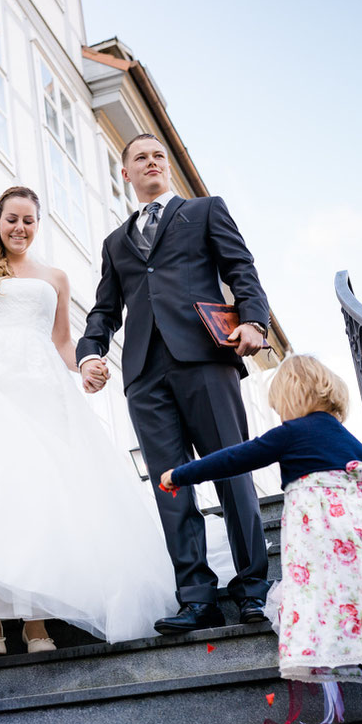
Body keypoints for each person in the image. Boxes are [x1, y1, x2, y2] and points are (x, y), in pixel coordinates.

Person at [0, 186, 180, 655]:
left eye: (29, 221)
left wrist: (88, 363)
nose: (20, 228)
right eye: (12, 219)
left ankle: (36, 624)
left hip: (42, 391)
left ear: (37, 225)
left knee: (40, 499)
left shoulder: (55, 277)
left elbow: (61, 343)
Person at [160, 354, 362, 724]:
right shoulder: (350, 442)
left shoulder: (293, 432)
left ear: (290, 398)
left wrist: (179, 474)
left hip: (335, 569)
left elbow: (236, 458)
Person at [77, 134, 270, 634]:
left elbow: (240, 268)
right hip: (144, 374)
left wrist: (254, 320)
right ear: (126, 173)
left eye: (158, 155)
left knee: (233, 471)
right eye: (140, 158)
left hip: (206, 358)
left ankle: (253, 589)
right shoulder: (115, 242)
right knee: (170, 486)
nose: (151, 162)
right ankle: (197, 597)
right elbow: (104, 310)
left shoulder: (205, 211)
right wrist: (89, 354)